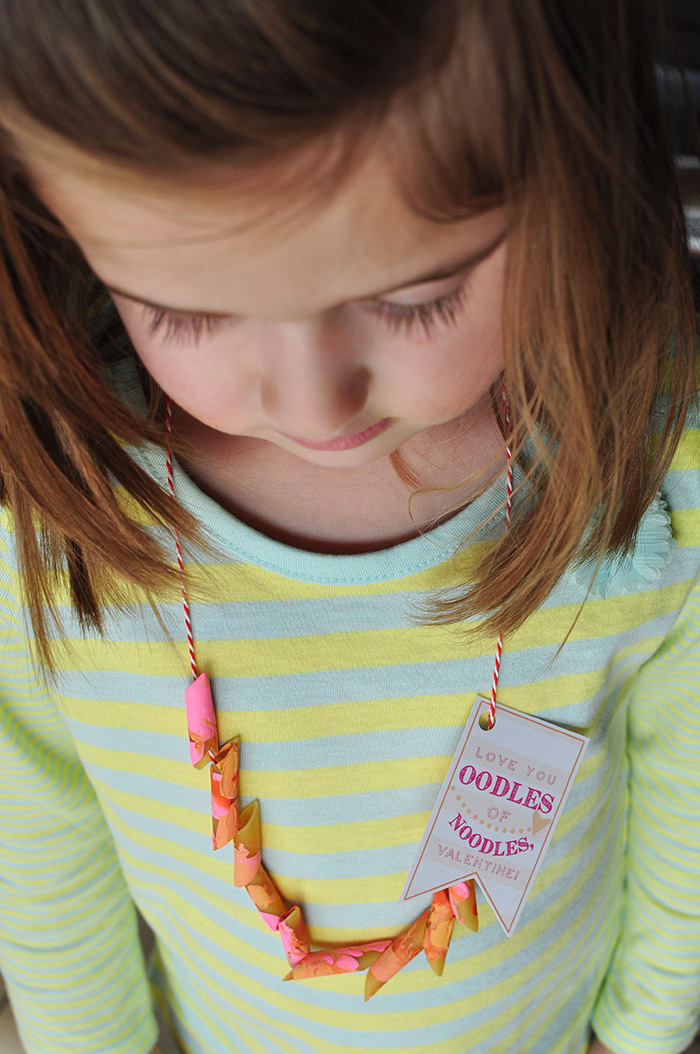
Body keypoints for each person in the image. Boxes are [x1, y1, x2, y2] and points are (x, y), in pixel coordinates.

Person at [0, 0, 698, 1052]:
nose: (316, 405)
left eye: (417, 298)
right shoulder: (48, 524)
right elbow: (43, 846)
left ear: (567, 166)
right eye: (184, 312)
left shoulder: (660, 480)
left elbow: (685, 815)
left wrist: (642, 1035)